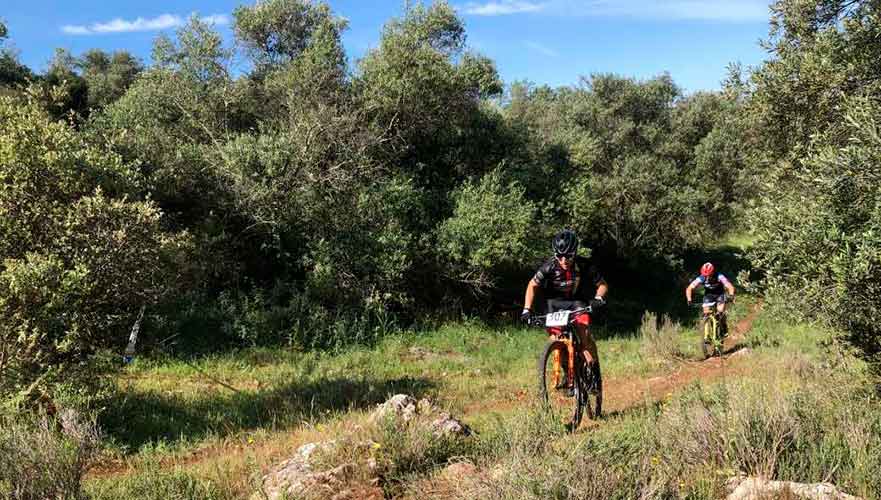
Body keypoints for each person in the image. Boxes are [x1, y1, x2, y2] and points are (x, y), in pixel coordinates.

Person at [521, 229, 608, 392]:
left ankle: (594, 374)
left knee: (584, 337)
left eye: (568, 255)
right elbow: (532, 285)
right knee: (558, 342)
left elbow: (602, 285)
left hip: (577, 304)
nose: (563, 260)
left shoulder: (584, 265)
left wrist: (598, 298)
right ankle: (570, 376)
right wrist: (526, 309)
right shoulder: (549, 266)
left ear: (575, 253)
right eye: (559, 256)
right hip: (554, 306)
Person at [685, 262, 736, 335]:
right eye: (705, 275)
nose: (707, 277)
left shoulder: (719, 276)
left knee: (720, 311)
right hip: (708, 295)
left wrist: (731, 295)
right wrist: (689, 299)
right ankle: (710, 332)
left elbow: (729, 286)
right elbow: (689, 288)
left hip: (719, 294)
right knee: (706, 312)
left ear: (713, 272)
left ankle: (724, 326)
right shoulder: (701, 277)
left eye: (709, 275)